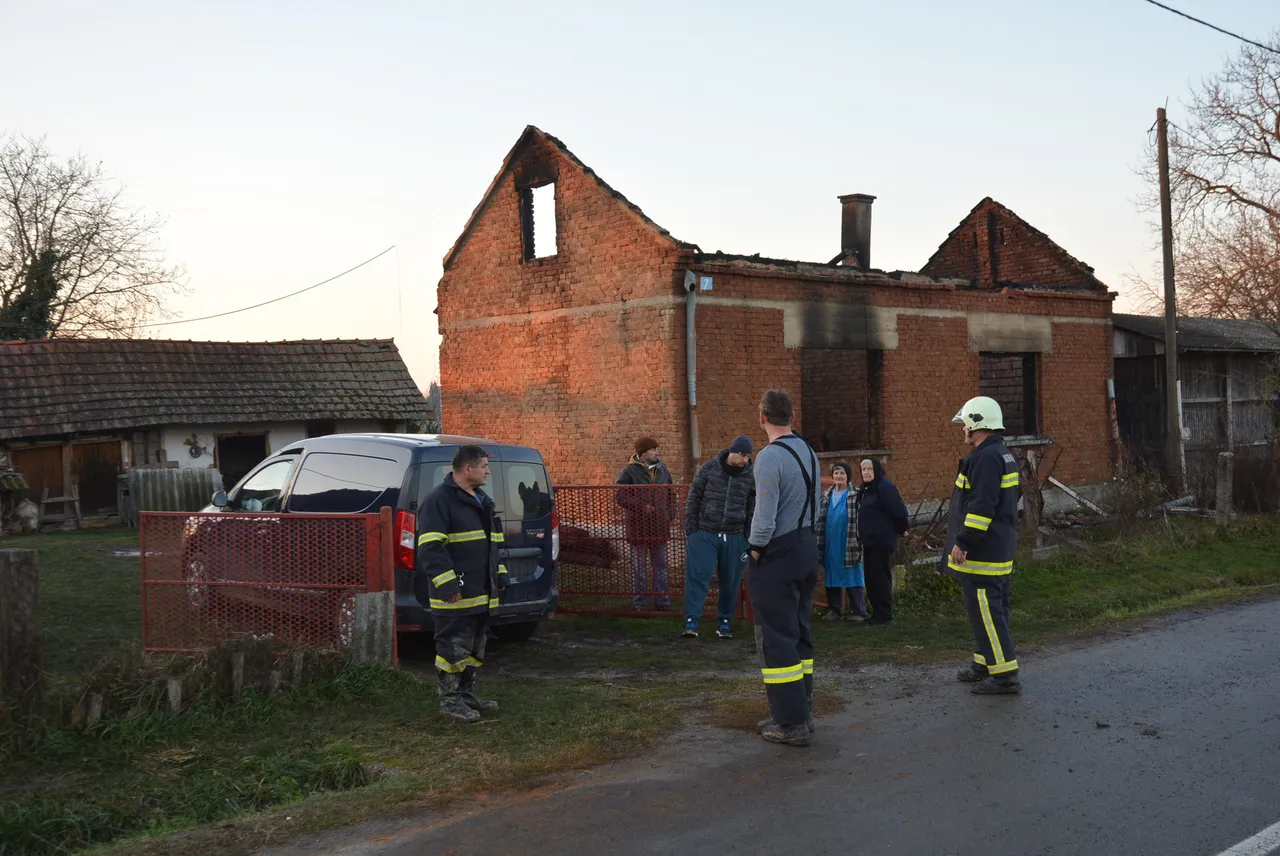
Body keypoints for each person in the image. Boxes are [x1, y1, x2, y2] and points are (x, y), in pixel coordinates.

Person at [746, 389, 822, 748]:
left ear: (762, 417)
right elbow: (817, 502)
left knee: (776, 640)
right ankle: (801, 712)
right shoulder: (808, 451)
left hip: (778, 552)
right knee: (799, 632)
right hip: (807, 545)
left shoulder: (768, 458)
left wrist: (756, 550)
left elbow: (765, 514)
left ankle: (790, 723)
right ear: (792, 416)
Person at [416, 445, 509, 722]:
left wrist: (500, 575)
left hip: (480, 592)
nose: (488, 472)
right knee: (452, 647)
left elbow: (494, 546)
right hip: (455, 593)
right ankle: (449, 702)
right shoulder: (438, 501)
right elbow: (431, 548)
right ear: (467, 469)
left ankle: (466, 695)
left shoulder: (481, 500)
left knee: (474, 647)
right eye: (484, 466)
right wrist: (447, 586)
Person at [944, 396, 1022, 695]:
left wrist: (963, 542)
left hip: (983, 553)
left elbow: (981, 507)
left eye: (965, 423)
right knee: (988, 611)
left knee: (987, 612)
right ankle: (985, 663)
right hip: (996, 549)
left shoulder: (986, 458)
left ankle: (1004, 676)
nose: (962, 428)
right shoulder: (1001, 454)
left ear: (977, 423)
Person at [683, 435, 756, 639]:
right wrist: (692, 531)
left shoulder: (751, 476)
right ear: (733, 452)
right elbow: (693, 499)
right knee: (699, 576)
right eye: (742, 455)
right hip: (705, 532)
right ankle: (691, 622)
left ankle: (724, 622)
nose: (745, 460)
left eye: (748, 456)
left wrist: (746, 536)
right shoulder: (708, 470)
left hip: (735, 536)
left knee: (731, 581)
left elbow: (752, 507)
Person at [617, 437, 675, 610]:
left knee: (662, 567)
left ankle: (662, 602)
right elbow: (621, 496)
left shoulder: (664, 470)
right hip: (638, 527)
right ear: (642, 453)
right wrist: (641, 506)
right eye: (653, 449)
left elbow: (671, 494)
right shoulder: (628, 472)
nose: (657, 452)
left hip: (660, 526)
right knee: (639, 569)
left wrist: (669, 514)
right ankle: (641, 603)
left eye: (657, 449)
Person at [855, 457, 910, 626]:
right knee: (870, 577)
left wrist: (902, 528)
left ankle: (885, 614)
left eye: (869, 469)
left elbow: (898, 510)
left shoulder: (885, 487)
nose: (866, 472)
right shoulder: (865, 490)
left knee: (880, 576)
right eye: (863, 470)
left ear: (876, 470)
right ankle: (876, 612)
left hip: (882, 540)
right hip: (869, 541)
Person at [815, 462, 867, 621]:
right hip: (830, 542)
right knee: (832, 574)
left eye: (842, 473)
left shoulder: (856, 494)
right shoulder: (826, 495)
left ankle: (859, 610)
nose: (839, 476)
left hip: (849, 541)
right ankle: (834, 610)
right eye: (836, 473)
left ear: (848, 476)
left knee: (852, 573)